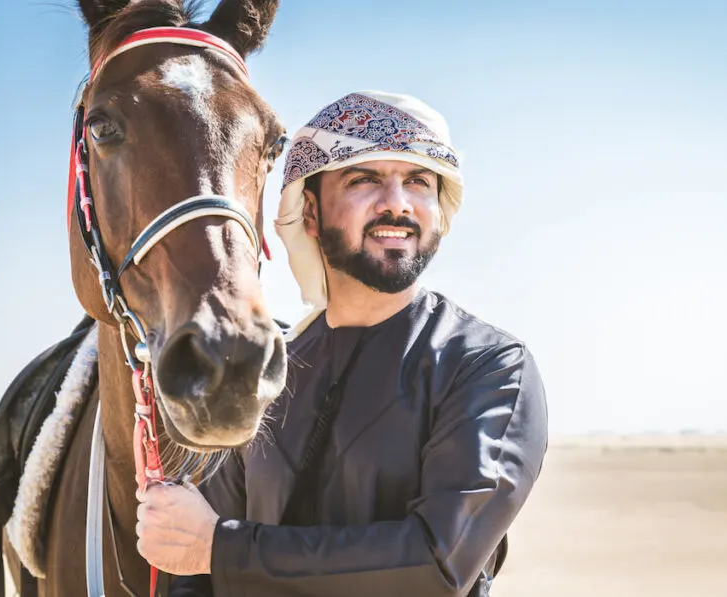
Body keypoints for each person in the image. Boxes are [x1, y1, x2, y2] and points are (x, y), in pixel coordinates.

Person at [137, 90, 549, 596]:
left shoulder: (486, 367)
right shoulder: (268, 371)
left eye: (418, 181)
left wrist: (221, 549)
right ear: (309, 214)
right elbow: (194, 572)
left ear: (438, 211)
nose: (397, 202)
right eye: (364, 179)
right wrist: (201, 553)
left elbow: (437, 564)